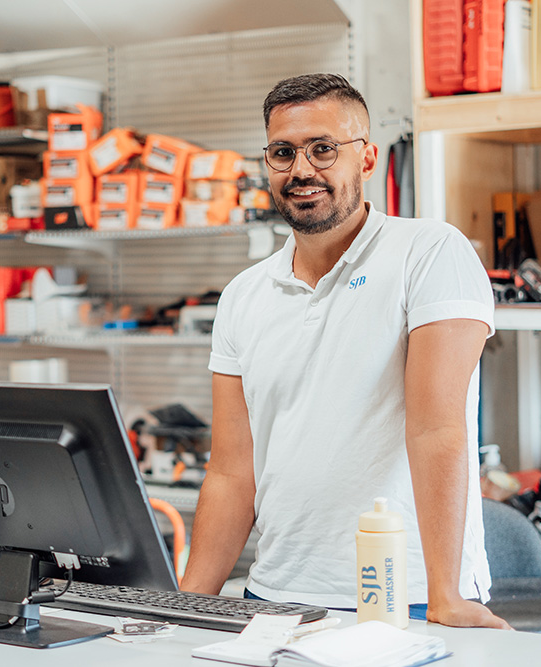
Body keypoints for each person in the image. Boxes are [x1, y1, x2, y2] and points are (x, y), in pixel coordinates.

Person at [180, 73, 509, 630]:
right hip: (274, 596)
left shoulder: (428, 253)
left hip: (404, 597)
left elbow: (436, 429)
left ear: (367, 158)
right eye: (283, 153)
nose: (301, 170)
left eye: (323, 149)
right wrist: (186, 604)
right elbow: (232, 472)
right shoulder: (243, 295)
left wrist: (446, 596)